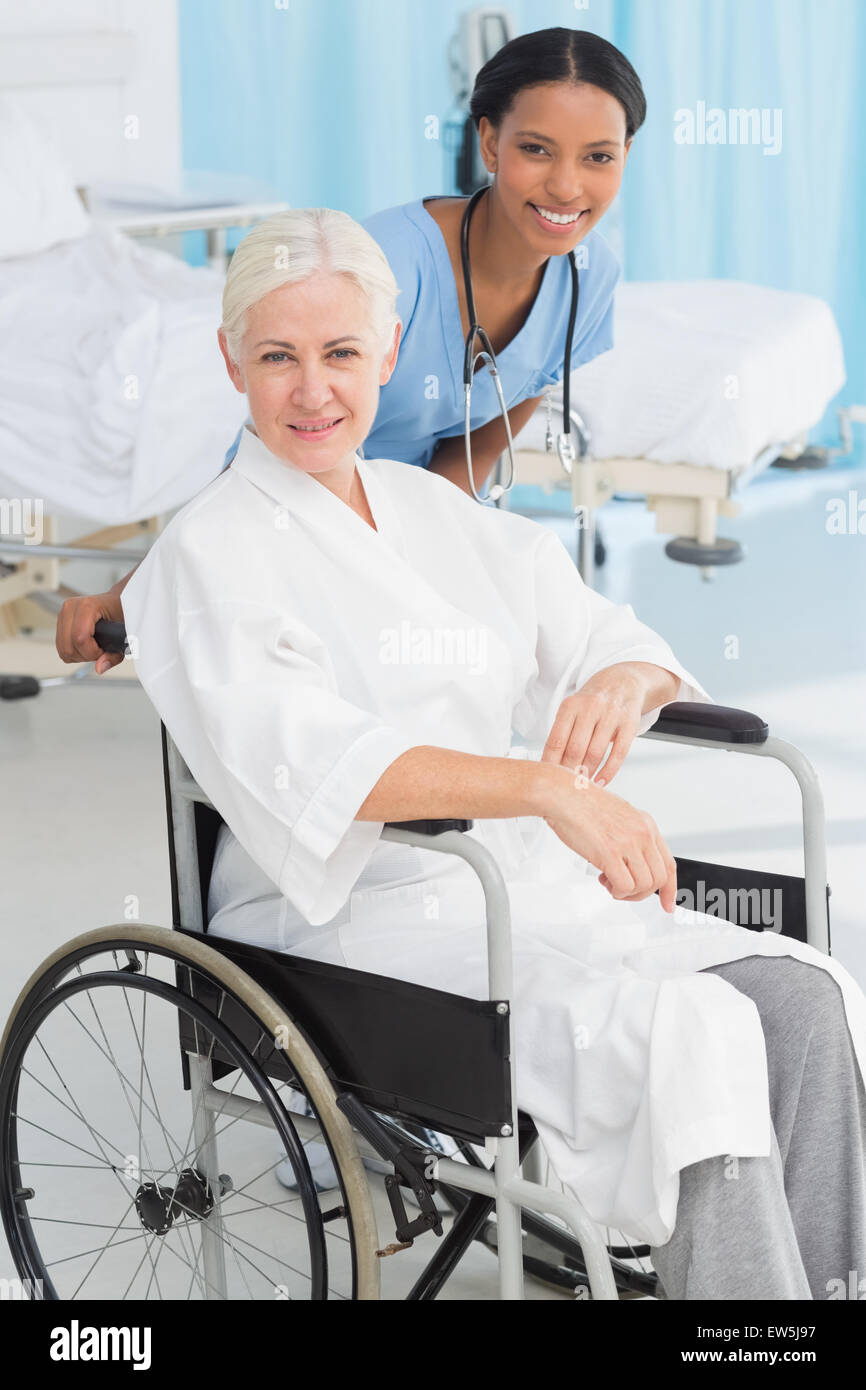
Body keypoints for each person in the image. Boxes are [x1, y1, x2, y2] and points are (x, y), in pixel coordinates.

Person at [119, 206, 866, 1300]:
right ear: (231, 360)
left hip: (512, 880)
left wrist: (626, 678)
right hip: (344, 912)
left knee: (806, 997)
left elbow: (594, 632)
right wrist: (546, 791)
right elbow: (312, 761)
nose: (312, 388)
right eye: (277, 356)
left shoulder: (428, 509)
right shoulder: (211, 551)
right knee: (693, 1029)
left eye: (339, 354)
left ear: (384, 354)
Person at [55, 26, 636, 673]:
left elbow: (511, 399)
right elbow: (275, 441)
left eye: (598, 157)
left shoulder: (592, 275)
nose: (565, 186)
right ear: (490, 143)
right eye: (536, 148)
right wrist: (137, 589)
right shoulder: (390, 266)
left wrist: (419, 536)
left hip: (409, 521)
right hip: (298, 501)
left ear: (626, 155)